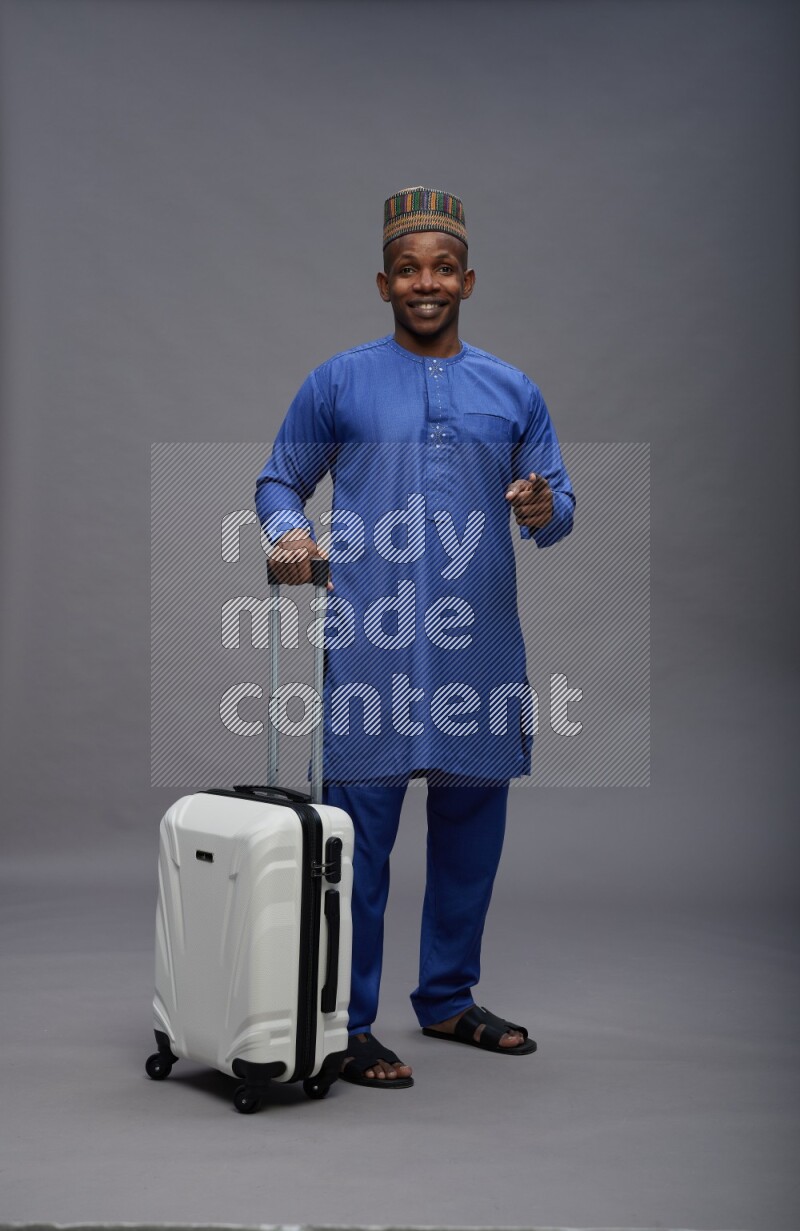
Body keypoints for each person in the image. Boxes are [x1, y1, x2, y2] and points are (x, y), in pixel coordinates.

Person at [255, 187, 575, 1089]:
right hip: (374, 648)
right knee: (358, 845)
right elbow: (279, 480)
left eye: (442, 267)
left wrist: (546, 505)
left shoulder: (512, 390)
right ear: (383, 281)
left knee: (472, 836)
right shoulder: (341, 381)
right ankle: (347, 1021)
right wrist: (289, 534)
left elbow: (560, 506)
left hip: (479, 647)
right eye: (408, 268)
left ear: (467, 280)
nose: (424, 282)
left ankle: (446, 999)